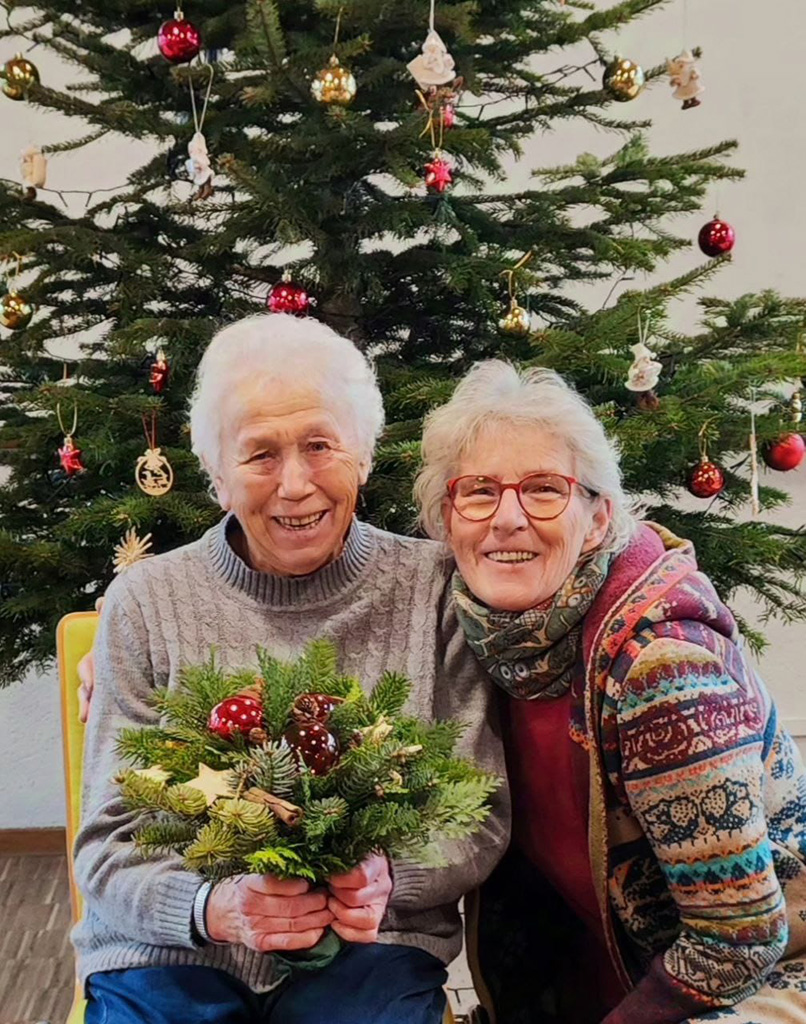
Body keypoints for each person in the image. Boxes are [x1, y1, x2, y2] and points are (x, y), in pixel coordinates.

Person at [73, 314, 510, 1024]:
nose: (297, 483)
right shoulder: (148, 603)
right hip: (171, 950)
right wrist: (210, 907)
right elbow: (108, 841)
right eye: (260, 455)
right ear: (217, 477)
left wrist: (387, 879)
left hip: (370, 944)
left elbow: (478, 811)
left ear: (363, 456)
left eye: (320, 445)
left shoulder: (435, 591)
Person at [415, 360, 806, 1024]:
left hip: (759, 986)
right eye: (479, 491)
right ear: (447, 519)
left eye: (544, 488)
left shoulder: (664, 670)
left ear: (597, 519)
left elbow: (740, 939)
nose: (506, 518)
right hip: (613, 983)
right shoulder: (494, 643)